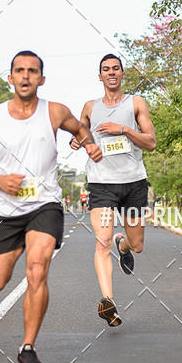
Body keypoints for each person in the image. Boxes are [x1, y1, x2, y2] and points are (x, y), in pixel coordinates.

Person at [0, 50, 102, 363]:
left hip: (45, 205)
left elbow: (79, 128)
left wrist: (89, 144)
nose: (25, 76)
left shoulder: (55, 112)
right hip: (7, 210)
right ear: (10, 77)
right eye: (19, 70)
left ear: (41, 78)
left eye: (32, 71)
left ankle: (28, 347)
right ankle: (18, 246)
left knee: (37, 269)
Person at [71, 53, 156, 328]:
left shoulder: (136, 103)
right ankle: (108, 301)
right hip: (102, 183)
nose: (111, 73)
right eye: (106, 69)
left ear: (122, 74)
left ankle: (125, 244)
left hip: (133, 182)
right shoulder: (89, 106)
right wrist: (78, 141)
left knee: (138, 245)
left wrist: (123, 130)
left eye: (115, 69)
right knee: (101, 241)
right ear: (100, 76)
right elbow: (80, 134)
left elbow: (151, 142)